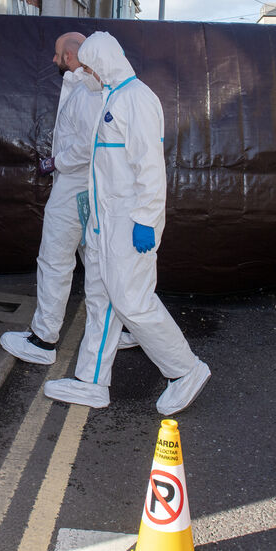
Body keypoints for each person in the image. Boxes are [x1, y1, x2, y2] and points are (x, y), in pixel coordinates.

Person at [43, 31, 211, 416]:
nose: (85, 73)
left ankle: (185, 370)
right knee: (101, 300)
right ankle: (91, 381)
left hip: (128, 224)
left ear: (101, 62)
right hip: (107, 224)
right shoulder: (113, 95)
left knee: (132, 302)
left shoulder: (136, 99)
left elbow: (150, 169)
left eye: (88, 66)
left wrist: (146, 221)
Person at [0, 33, 135, 365]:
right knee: (98, 261)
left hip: (76, 185)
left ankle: (44, 340)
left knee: (55, 259)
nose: (53, 59)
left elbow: (88, 145)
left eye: (58, 53)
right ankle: (121, 328)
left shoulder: (88, 93)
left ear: (72, 56)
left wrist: (53, 163)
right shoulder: (87, 87)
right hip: (90, 186)